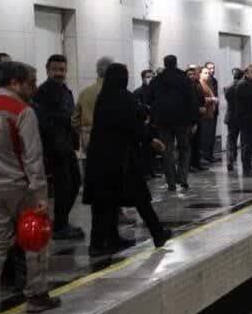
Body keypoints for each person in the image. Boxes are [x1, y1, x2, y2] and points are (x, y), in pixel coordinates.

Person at [0, 62, 61, 314]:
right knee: (35, 239)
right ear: (14, 83)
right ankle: (37, 295)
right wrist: (41, 195)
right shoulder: (22, 112)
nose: (34, 88)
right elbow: (33, 157)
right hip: (22, 187)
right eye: (31, 83)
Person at [82, 63, 173, 254]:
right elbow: (134, 126)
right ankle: (157, 233)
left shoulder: (103, 98)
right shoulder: (125, 98)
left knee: (103, 202)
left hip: (99, 158)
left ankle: (103, 242)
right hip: (121, 159)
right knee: (140, 198)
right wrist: (150, 139)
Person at [32, 54, 84, 240]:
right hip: (53, 147)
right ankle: (60, 226)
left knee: (74, 182)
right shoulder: (42, 92)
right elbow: (43, 120)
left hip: (66, 144)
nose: (59, 73)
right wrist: (66, 121)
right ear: (47, 70)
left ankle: (61, 221)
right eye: (55, 69)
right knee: (64, 186)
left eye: (62, 70)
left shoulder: (65, 90)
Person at [148, 56, 201, 191]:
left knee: (166, 151)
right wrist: (194, 120)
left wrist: (154, 118)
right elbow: (192, 101)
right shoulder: (184, 79)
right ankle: (182, 178)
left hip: (163, 121)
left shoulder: (157, 80)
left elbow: (150, 100)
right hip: (183, 121)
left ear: (164, 64)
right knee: (184, 149)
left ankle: (171, 183)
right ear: (176, 63)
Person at [228, 65, 252, 177]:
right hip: (245, 119)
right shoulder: (243, 85)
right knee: (247, 144)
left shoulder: (251, 84)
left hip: (250, 119)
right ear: (246, 73)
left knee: (250, 143)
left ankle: (248, 168)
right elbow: (248, 100)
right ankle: (247, 169)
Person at [74, 56, 113, 154]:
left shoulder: (85, 93)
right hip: (111, 139)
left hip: (88, 139)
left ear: (97, 71)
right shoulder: (117, 93)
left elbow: (75, 120)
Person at [198, 61, 220, 165]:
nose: (212, 71)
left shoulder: (212, 81)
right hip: (205, 113)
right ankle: (204, 156)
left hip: (212, 112)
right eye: (208, 70)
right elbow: (201, 98)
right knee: (205, 136)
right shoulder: (200, 84)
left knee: (211, 135)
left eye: (213, 68)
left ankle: (209, 155)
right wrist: (212, 99)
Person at [224, 68, 243, 172]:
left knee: (231, 140)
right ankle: (244, 161)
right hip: (241, 117)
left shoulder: (228, 88)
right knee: (244, 140)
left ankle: (229, 160)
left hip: (231, 117)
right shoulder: (244, 87)